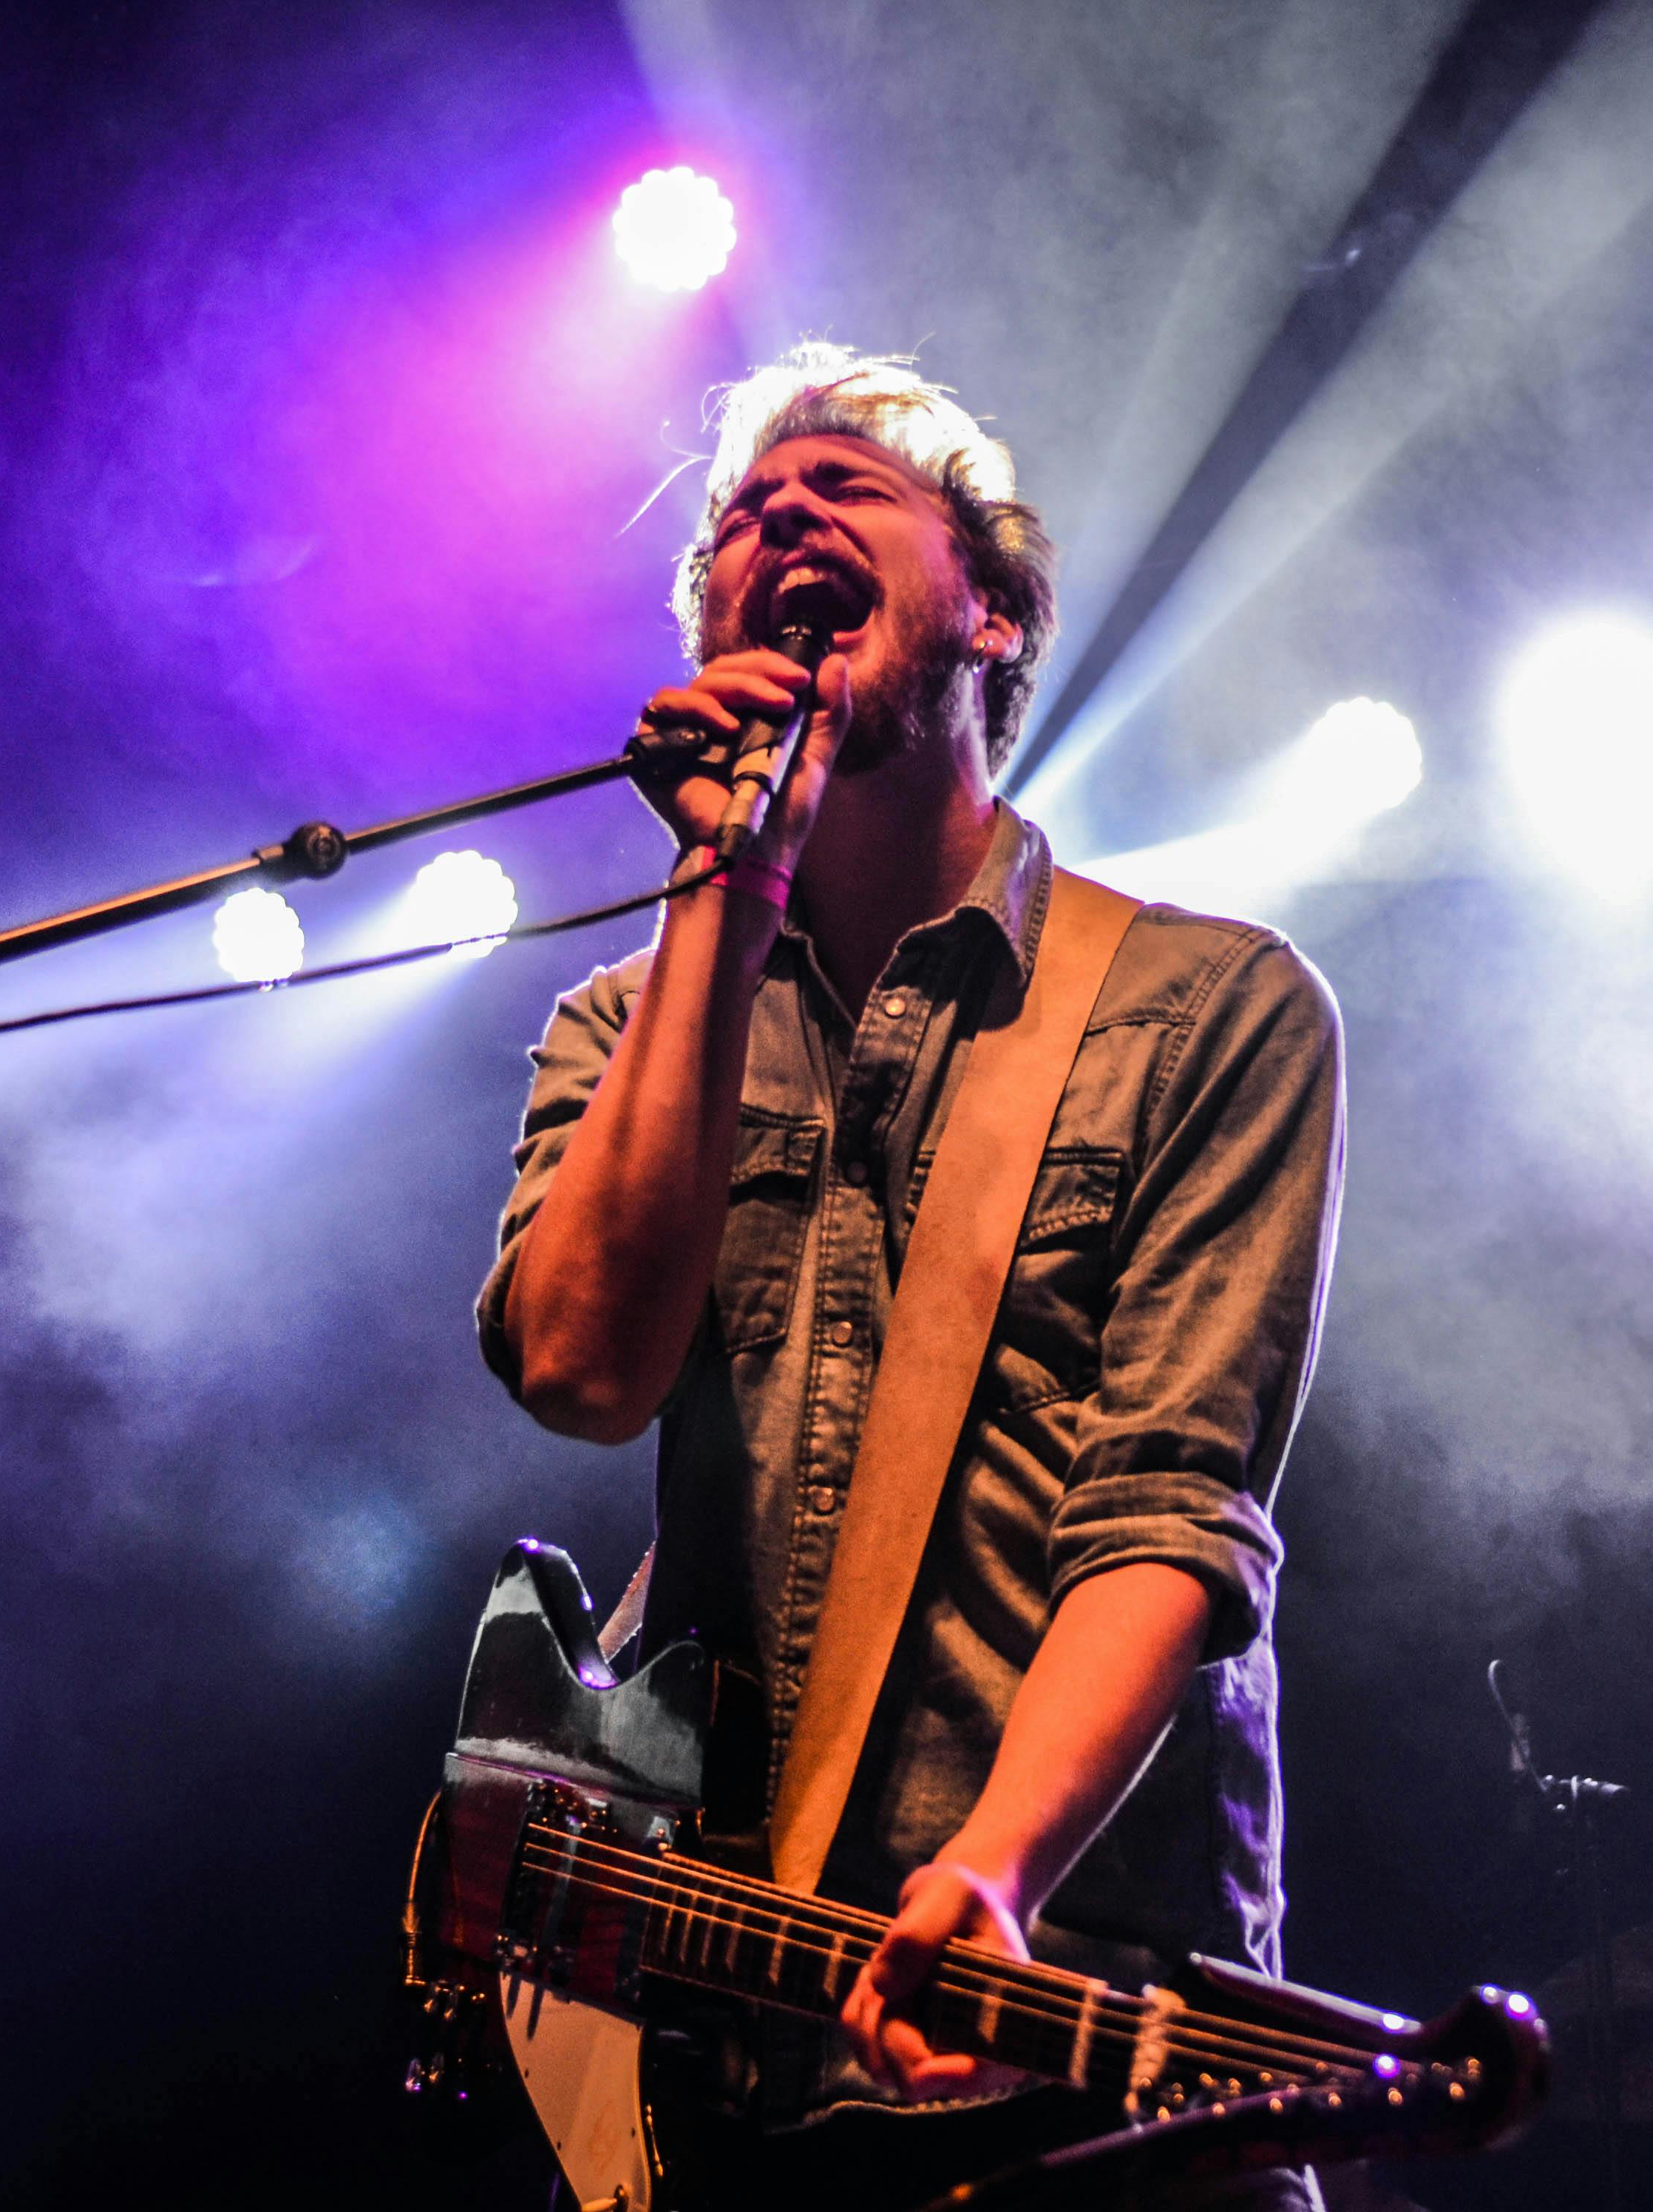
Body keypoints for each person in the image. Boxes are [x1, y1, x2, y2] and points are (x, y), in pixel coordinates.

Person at [478, 341, 1343, 2207]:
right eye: (737, 522)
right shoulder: (619, 1031)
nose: (776, 520)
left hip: (1077, 2039)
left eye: (842, 492)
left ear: (994, 609)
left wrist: (1002, 1868)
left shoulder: (1207, 1008)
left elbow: (1172, 1512)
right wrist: (728, 886)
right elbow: (579, 1370)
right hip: (724, 2064)